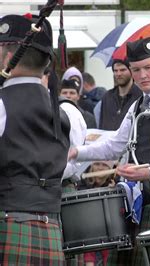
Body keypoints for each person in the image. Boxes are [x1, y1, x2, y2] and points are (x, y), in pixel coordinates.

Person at [68, 37, 150, 265]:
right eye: (136, 69)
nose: (142, 75)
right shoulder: (138, 105)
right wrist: (76, 152)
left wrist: (148, 173)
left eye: (148, 67)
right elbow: (115, 145)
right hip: (140, 201)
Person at [0, 14, 70, 264]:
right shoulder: (62, 114)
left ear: (8, 58)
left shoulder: (2, 105)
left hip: (7, 227)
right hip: (50, 230)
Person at [98, 59, 141, 130]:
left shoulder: (140, 96)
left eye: (122, 70)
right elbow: (102, 124)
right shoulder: (107, 96)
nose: (118, 74)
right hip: (109, 139)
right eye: (115, 70)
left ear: (131, 71)